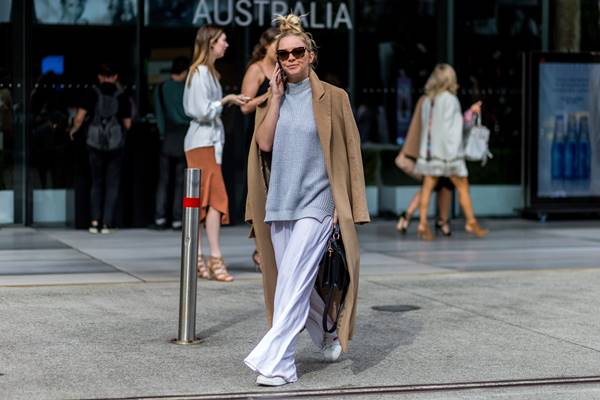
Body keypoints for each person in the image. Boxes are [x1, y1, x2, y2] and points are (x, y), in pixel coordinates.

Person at [244, 14, 369, 386]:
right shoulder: (272, 98)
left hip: (319, 204)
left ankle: (279, 363)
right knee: (292, 281)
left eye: (298, 51)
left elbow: (350, 154)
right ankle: (328, 334)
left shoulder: (335, 98)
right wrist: (277, 98)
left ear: (312, 55)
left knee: (293, 284)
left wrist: (345, 206)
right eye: (284, 54)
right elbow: (263, 145)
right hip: (281, 202)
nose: (292, 58)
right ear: (278, 60)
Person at [183, 25, 249, 282]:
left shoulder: (208, 73)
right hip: (202, 143)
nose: (226, 45)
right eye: (223, 40)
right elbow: (200, 110)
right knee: (213, 200)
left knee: (208, 202)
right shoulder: (199, 72)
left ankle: (204, 258)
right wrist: (227, 100)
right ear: (211, 43)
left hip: (207, 142)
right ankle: (213, 258)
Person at [413, 63, 489, 240]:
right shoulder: (450, 100)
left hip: (430, 154)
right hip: (449, 155)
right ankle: (471, 222)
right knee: (463, 187)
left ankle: (423, 224)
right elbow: (457, 128)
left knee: (427, 188)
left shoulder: (427, 100)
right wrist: (471, 113)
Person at [69, 63, 132, 234]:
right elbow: (128, 123)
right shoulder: (121, 95)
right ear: (115, 77)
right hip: (115, 144)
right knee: (112, 184)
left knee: (96, 183)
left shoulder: (92, 92)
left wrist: (74, 130)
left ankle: (94, 221)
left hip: (94, 143)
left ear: (99, 76)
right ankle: (107, 223)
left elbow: (79, 118)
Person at [240, 27, 279, 270]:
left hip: (280, 134)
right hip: (259, 133)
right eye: (277, 45)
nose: (282, 51)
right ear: (265, 46)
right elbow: (244, 106)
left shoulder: (284, 67)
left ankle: (272, 247)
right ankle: (260, 249)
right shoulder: (256, 69)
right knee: (263, 190)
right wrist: (268, 97)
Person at [395, 95, 453, 237]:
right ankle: (439, 222)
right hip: (433, 153)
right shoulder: (431, 101)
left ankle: (407, 217)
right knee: (436, 184)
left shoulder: (429, 100)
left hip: (433, 152)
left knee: (439, 184)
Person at [152, 56, 191, 230]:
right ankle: (177, 218)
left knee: (163, 180)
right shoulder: (188, 89)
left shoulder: (160, 88)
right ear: (184, 72)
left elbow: (159, 114)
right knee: (180, 181)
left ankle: (160, 217)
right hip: (185, 137)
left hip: (167, 137)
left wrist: (161, 134)